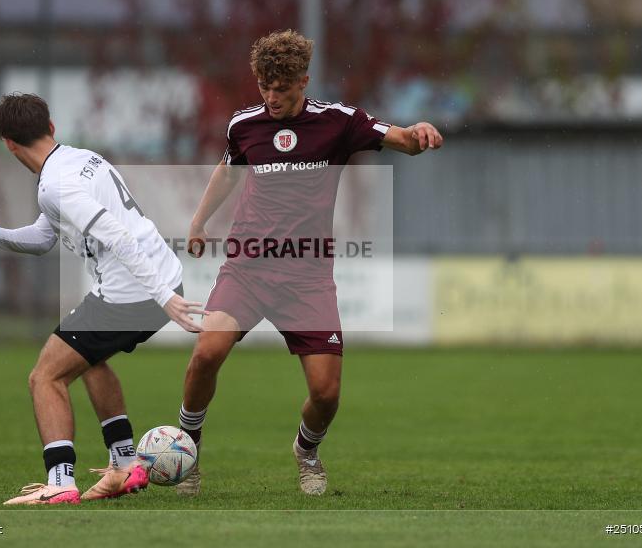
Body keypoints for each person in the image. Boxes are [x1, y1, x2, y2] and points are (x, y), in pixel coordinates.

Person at [176, 30, 443, 496]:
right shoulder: (244, 125)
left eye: (282, 88)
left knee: (326, 394)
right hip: (248, 268)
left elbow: (399, 138)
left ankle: (307, 452)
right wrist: (199, 222)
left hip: (307, 277)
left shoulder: (339, 122)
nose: (272, 97)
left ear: (303, 81)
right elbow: (228, 168)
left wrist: (418, 132)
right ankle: (188, 452)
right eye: (264, 86)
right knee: (206, 354)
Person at [0, 93, 204, 505]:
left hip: (133, 291)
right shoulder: (79, 160)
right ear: (52, 128)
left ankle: (60, 482)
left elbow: (117, 236)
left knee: (46, 376)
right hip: (157, 277)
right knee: (89, 360)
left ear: (9, 145)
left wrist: (163, 299)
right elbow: (44, 236)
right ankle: (125, 465)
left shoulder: (56, 184)